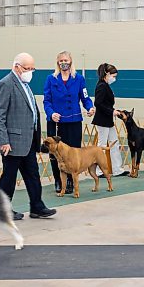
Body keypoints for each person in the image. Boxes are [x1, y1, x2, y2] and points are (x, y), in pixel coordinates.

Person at [0, 52, 56, 220]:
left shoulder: (24, 84)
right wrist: (3, 141)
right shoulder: (6, 84)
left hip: (28, 140)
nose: (30, 72)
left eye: (32, 69)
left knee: (33, 175)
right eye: (27, 68)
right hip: (12, 142)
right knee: (9, 177)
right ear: (16, 67)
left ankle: (37, 206)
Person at [43, 51, 95, 194]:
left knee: (73, 153)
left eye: (66, 60)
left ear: (71, 62)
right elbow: (46, 101)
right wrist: (51, 113)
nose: (63, 63)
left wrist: (90, 107)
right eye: (60, 61)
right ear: (57, 63)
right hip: (55, 122)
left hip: (74, 122)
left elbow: (85, 97)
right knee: (55, 153)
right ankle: (58, 182)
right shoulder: (50, 79)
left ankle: (71, 181)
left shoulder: (79, 79)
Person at [91, 63, 129, 177]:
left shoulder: (106, 85)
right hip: (102, 120)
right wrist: (112, 111)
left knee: (114, 143)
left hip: (108, 120)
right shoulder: (102, 86)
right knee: (101, 146)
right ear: (107, 74)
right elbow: (98, 103)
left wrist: (113, 111)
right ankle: (98, 171)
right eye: (114, 76)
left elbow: (105, 103)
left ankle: (117, 169)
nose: (114, 78)